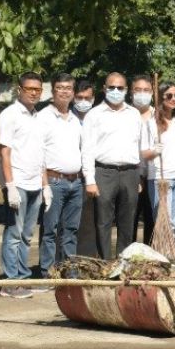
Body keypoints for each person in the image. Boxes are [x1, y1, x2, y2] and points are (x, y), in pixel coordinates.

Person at [83, 72, 143, 258]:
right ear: (104, 88)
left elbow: (138, 146)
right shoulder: (93, 115)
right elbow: (87, 149)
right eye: (111, 87)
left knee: (128, 221)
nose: (115, 91)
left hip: (130, 173)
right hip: (104, 172)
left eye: (120, 88)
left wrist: (138, 176)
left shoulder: (134, 114)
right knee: (103, 221)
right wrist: (90, 179)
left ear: (126, 90)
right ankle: (105, 263)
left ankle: (124, 262)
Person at [0, 72, 45, 299]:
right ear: (20, 90)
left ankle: (23, 277)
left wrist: (45, 186)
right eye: (29, 89)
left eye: (37, 89)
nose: (34, 93)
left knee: (27, 235)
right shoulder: (10, 115)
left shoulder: (37, 117)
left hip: (35, 182)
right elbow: (4, 152)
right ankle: (10, 281)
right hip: (18, 183)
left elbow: (40, 154)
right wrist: (10, 185)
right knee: (14, 234)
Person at [37, 73, 84, 276]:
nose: (64, 91)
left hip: (76, 183)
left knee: (71, 231)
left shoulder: (75, 120)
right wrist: (45, 184)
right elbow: (38, 154)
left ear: (73, 93)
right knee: (50, 230)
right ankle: (47, 271)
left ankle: (69, 272)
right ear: (53, 90)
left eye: (68, 88)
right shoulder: (43, 117)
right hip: (54, 181)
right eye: (60, 87)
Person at [141, 81, 175, 251]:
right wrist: (154, 151)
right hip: (161, 178)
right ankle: (163, 253)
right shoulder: (151, 123)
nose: (173, 99)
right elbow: (144, 154)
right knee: (164, 221)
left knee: (174, 222)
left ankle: (168, 254)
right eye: (169, 96)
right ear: (161, 97)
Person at [72, 78, 99, 257]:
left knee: (91, 221)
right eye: (79, 97)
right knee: (70, 222)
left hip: (95, 176)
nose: (83, 102)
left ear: (93, 99)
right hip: (71, 177)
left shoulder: (98, 117)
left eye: (87, 98)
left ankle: (88, 259)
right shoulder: (68, 118)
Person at [130, 75, 156, 245]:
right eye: (138, 90)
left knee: (151, 219)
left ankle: (150, 257)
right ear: (131, 92)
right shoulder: (126, 114)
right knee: (129, 219)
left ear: (152, 92)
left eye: (146, 90)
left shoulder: (159, 115)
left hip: (154, 176)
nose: (142, 94)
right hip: (132, 175)